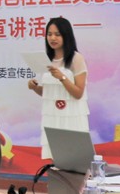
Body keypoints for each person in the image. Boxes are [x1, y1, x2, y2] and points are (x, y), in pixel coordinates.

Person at [27, 17, 88, 158]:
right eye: (49, 34)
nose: (52, 38)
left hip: (71, 117)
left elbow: (78, 93)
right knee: (54, 159)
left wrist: (62, 78)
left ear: (66, 36)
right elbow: (50, 94)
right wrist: (35, 87)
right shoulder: (47, 59)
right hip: (52, 116)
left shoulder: (76, 58)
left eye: (57, 34)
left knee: (72, 158)